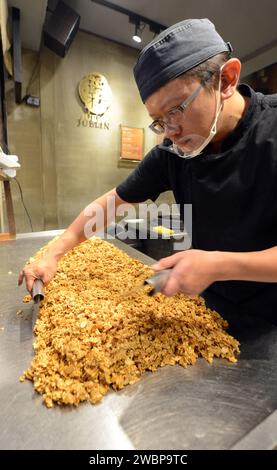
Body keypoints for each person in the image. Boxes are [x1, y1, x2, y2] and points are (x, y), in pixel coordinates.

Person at [19, 18, 277, 326]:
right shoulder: (174, 151)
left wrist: (218, 264)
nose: (170, 132)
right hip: (215, 308)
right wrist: (55, 253)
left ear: (226, 80)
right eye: (158, 120)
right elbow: (112, 203)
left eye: (175, 110)